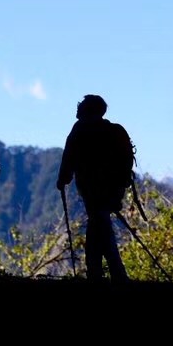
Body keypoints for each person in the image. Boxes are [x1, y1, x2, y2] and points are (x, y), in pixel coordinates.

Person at [56, 94, 129, 283]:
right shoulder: (113, 131)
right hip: (112, 190)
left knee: (99, 224)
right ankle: (97, 270)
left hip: (91, 189)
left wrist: (62, 180)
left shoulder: (80, 129)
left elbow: (68, 157)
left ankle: (111, 271)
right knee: (98, 224)